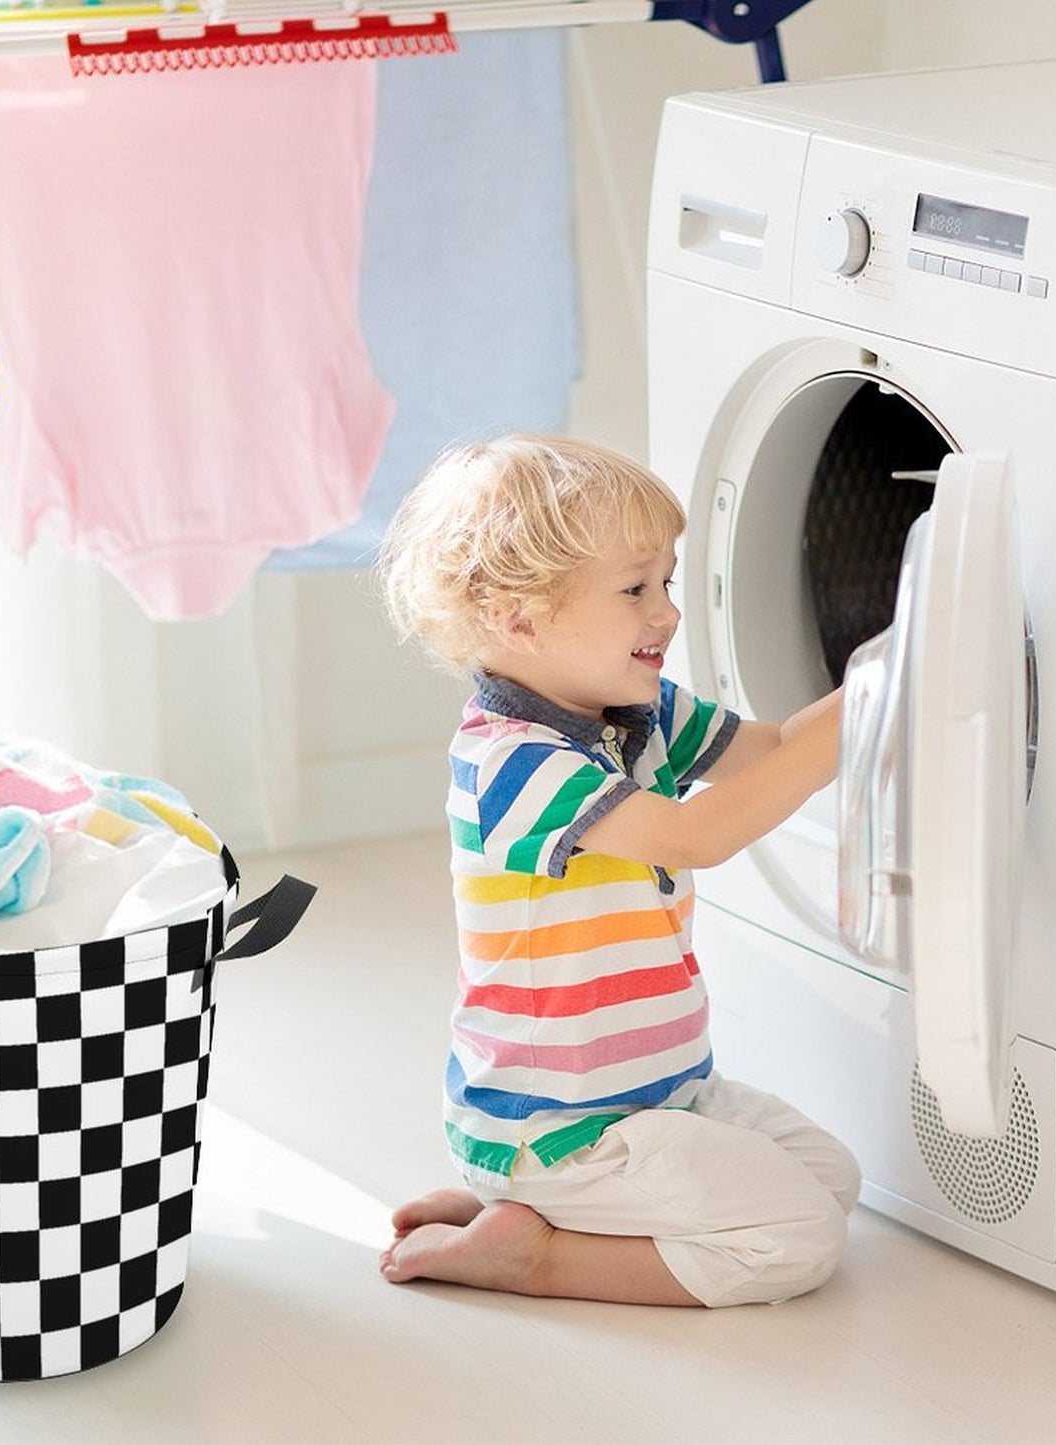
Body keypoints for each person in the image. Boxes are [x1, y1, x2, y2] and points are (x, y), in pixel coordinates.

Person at [375, 433, 859, 1308]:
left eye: (665, 581)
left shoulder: (636, 712)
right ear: (517, 619)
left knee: (833, 1180)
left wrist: (879, 678)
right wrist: (862, 708)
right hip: (560, 1122)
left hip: (665, 1089)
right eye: (635, 588)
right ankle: (531, 1251)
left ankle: (526, 1209)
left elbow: (771, 752)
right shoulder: (511, 762)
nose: (666, 612)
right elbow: (690, 835)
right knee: (797, 1239)